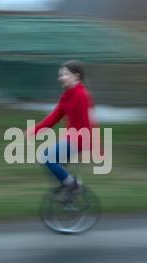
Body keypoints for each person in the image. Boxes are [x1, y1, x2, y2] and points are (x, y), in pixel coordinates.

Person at [26, 60, 98, 198]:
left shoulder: (82, 95)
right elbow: (54, 117)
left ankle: (73, 185)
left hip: (80, 139)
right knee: (46, 156)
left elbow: (89, 122)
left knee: (47, 158)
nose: (60, 78)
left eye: (64, 74)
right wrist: (35, 131)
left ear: (76, 76)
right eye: (60, 75)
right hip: (72, 138)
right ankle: (68, 185)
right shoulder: (67, 95)